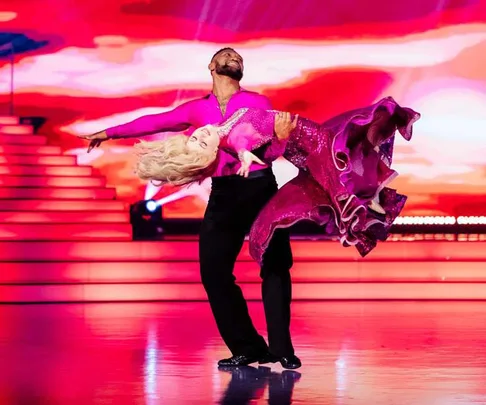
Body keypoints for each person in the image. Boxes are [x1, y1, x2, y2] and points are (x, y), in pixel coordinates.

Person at [78, 48, 301, 369]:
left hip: (260, 188)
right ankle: (248, 347)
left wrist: (279, 139)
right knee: (213, 271)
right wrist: (107, 133)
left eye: (238, 58)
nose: (233, 58)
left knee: (275, 265)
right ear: (212, 66)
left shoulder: (258, 102)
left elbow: (270, 148)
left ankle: (282, 349)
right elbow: (155, 121)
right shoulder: (198, 109)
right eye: (227, 55)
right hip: (225, 193)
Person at [134, 97, 420, 265]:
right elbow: (242, 140)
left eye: (195, 137)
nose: (200, 136)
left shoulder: (222, 123)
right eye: (202, 144)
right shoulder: (232, 140)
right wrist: (245, 154)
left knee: (345, 178)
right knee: (332, 193)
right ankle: (365, 211)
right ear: (211, 154)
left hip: (316, 144)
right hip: (316, 149)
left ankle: (367, 208)